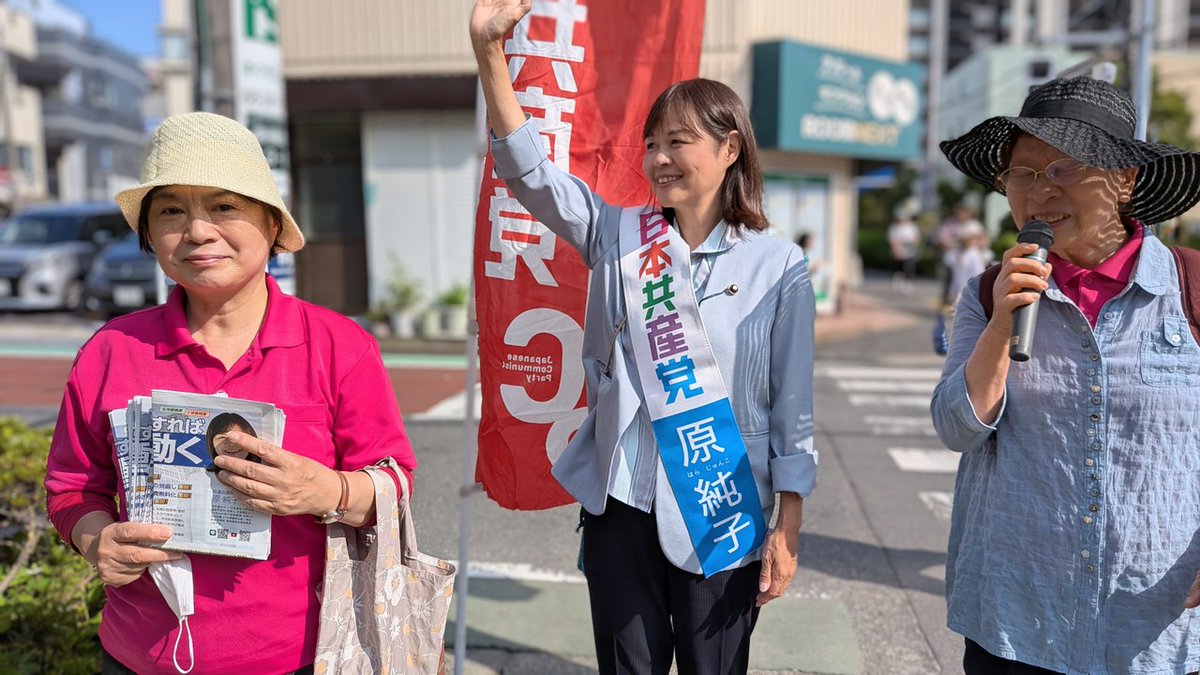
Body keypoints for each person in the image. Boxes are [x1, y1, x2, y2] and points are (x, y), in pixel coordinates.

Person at [470, 2, 816, 674]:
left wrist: (789, 524)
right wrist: (489, 53)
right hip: (622, 502)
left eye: (678, 141)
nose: (658, 157)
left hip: (722, 502)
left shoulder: (779, 267)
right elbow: (529, 175)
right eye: (652, 142)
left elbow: (792, 409)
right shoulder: (618, 234)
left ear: (729, 148)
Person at [43, 111, 417, 674]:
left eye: (224, 206)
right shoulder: (111, 350)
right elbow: (72, 488)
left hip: (303, 654)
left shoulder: (340, 346)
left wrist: (327, 490)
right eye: (171, 210)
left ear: (271, 227)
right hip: (140, 655)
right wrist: (97, 540)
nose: (197, 231)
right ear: (149, 236)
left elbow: (395, 483)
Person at [932, 75, 1200, 674]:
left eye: (1064, 170)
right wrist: (1003, 321)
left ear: (1125, 181)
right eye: (1023, 174)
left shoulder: (1192, 289)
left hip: (1154, 632)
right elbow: (955, 428)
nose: (1039, 192)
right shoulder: (989, 292)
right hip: (1016, 624)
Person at [935, 201, 983, 307]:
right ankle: (948, 302)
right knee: (952, 280)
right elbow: (942, 239)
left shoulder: (973, 225)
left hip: (970, 255)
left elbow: (981, 238)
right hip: (954, 255)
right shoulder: (950, 223)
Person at [886, 204, 921, 292]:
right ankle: (897, 280)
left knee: (909, 267)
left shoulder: (912, 226)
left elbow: (916, 238)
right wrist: (896, 249)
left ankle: (908, 282)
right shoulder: (894, 227)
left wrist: (912, 242)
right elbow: (892, 239)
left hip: (909, 250)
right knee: (898, 267)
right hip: (899, 249)